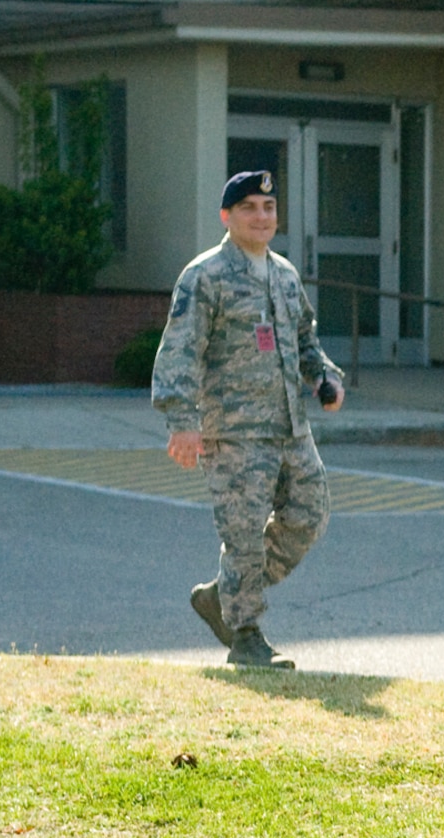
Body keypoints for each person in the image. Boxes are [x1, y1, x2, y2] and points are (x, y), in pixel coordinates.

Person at [152, 169, 345, 670]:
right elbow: (178, 351)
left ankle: (223, 595)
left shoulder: (282, 273)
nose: (262, 217)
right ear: (227, 216)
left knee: (310, 515)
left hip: (288, 428)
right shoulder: (205, 276)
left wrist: (324, 376)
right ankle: (246, 635)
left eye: (269, 208)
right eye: (249, 209)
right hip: (234, 433)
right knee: (242, 535)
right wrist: (181, 420)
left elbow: (306, 338)